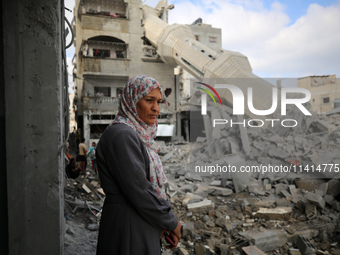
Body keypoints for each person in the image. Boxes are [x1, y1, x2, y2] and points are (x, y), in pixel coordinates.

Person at [96, 75, 181, 255]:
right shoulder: (122, 135)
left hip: (139, 220)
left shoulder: (136, 135)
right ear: (132, 100)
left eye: (158, 102)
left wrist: (160, 222)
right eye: (149, 100)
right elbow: (140, 189)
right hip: (129, 225)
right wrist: (171, 221)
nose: (156, 108)